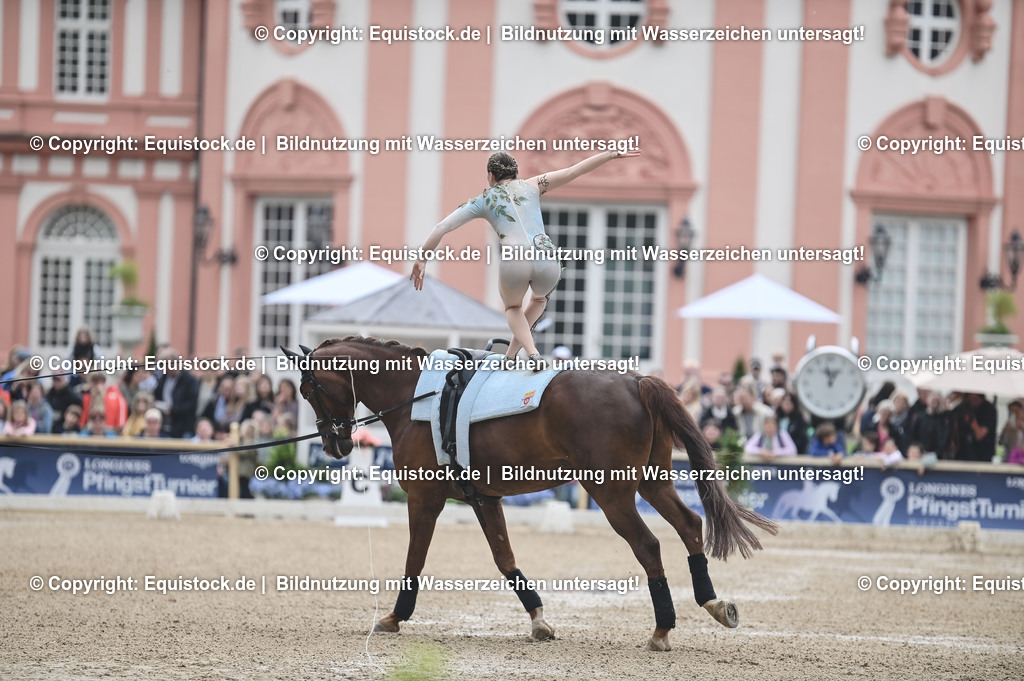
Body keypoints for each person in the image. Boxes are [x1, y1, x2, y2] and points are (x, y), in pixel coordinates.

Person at [410, 149, 641, 369]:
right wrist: (609, 155)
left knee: (513, 307)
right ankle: (511, 355)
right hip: (547, 256)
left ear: (491, 176)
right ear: (516, 173)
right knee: (539, 301)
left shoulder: (483, 200)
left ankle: (532, 354)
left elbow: (441, 227)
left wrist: (422, 258)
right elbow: (573, 171)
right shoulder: (533, 185)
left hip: (515, 258)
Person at [152, 347, 199, 438]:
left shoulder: (189, 380)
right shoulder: (164, 378)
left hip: (184, 425)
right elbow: (157, 394)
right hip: (167, 424)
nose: (167, 368)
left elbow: (192, 403)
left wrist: (173, 409)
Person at [999, 400, 1024, 464]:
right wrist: (1006, 431)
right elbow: (1001, 442)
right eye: (1012, 412)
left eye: (1017, 412)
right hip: (1009, 458)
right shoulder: (1008, 426)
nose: (1014, 415)